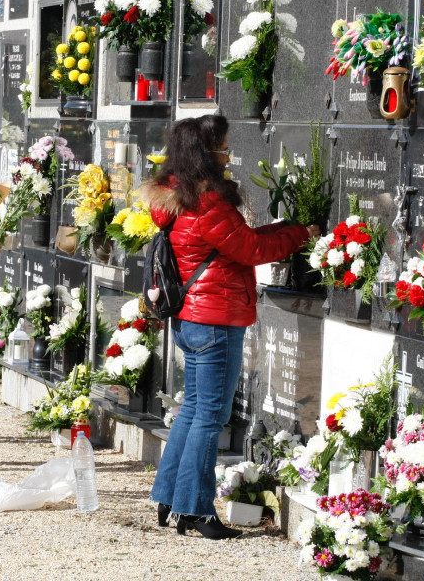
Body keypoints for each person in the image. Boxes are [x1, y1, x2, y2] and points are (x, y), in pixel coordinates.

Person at [141, 115, 318, 540]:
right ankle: (197, 510)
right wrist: (301, 234)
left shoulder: (178, 200)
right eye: (221, 146)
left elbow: (240, 238)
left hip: (192, 319)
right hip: (215, 319)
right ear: (206, 153)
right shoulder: (208, 205)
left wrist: (283, 229)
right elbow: (251, 248)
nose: (227, 154)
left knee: (193, 412)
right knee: (210, 417)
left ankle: (170, 497)